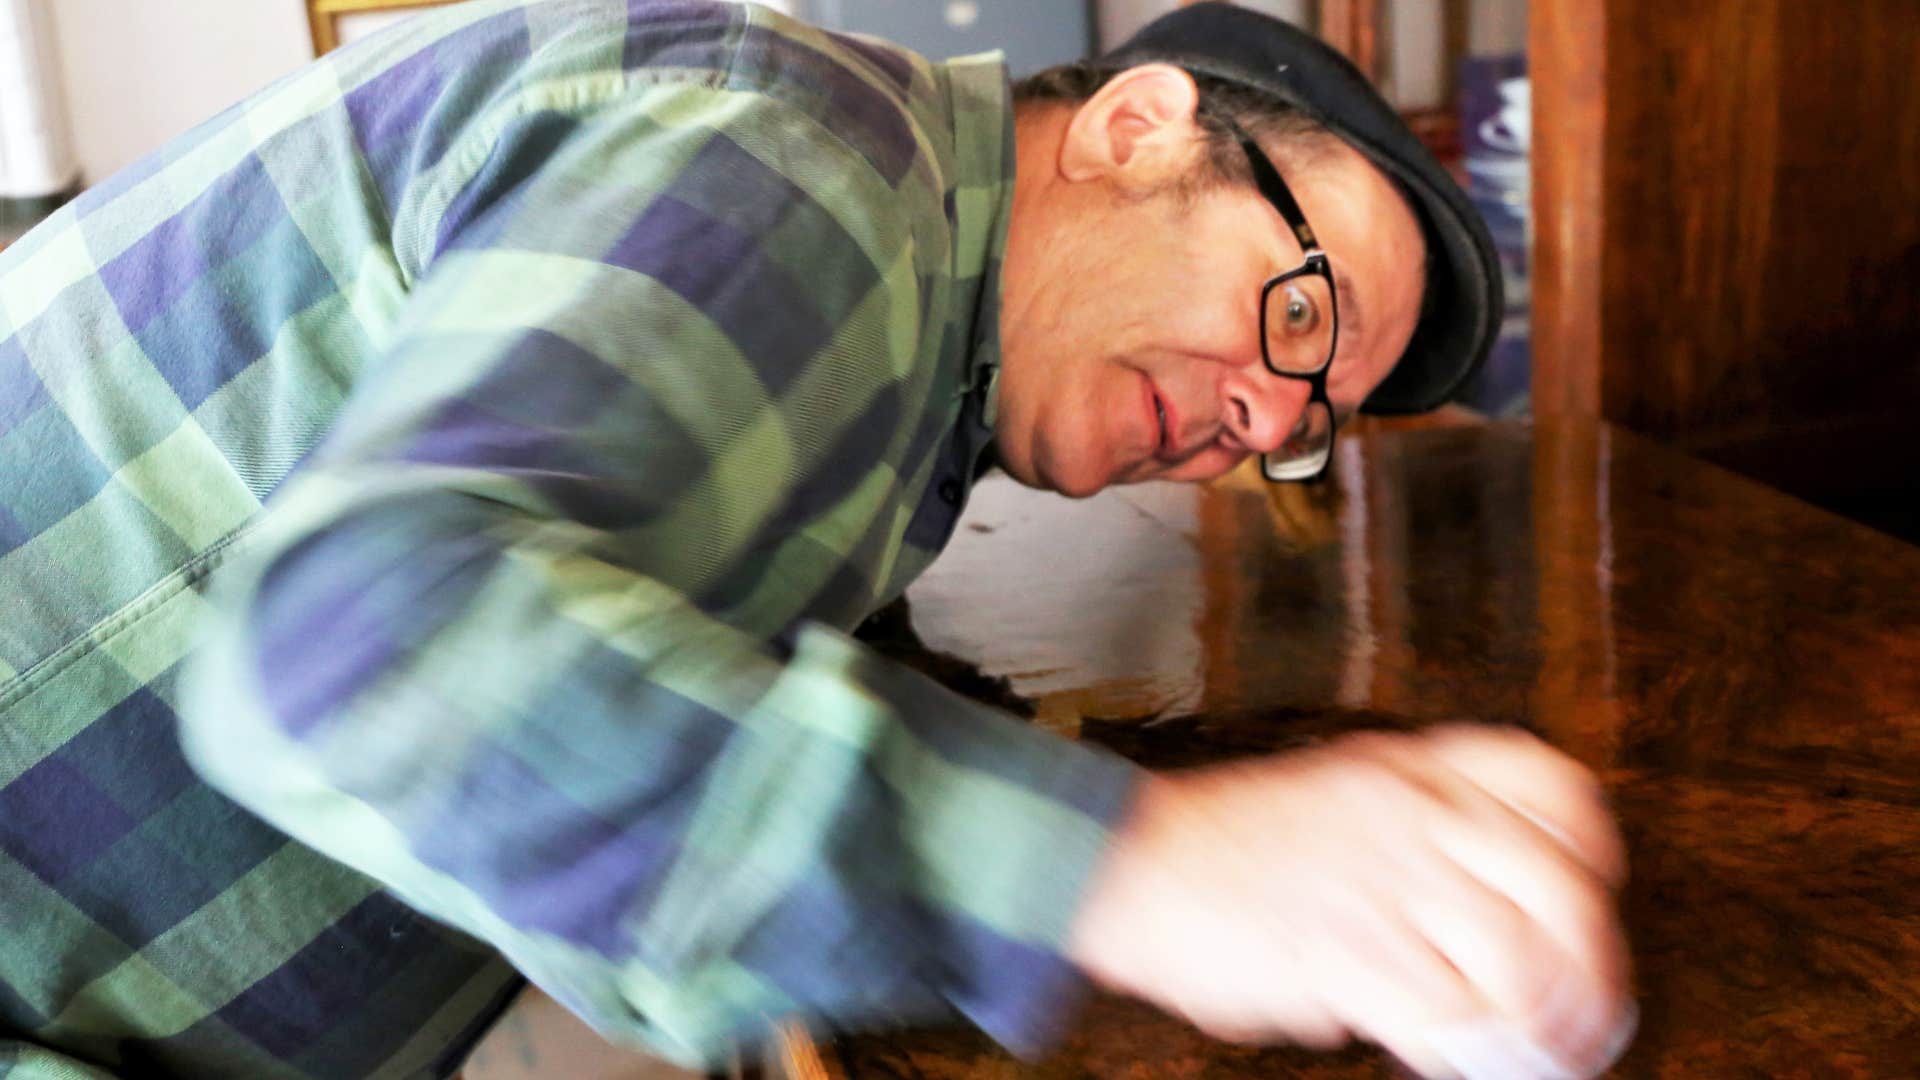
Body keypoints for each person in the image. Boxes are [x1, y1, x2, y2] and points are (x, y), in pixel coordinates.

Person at [0, 1, 1632, 1077]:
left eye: (1320, 414)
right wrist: (1140, 870)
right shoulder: (809, 153)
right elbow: (352, 643)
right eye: (1300, 312)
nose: (1272, 427)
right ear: (1136, 127)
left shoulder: (922, 403)